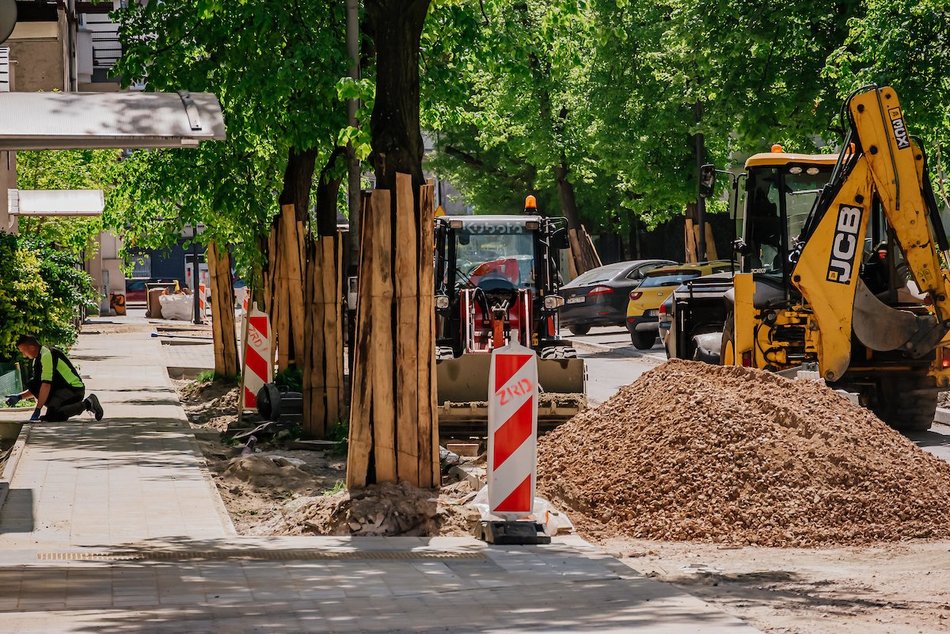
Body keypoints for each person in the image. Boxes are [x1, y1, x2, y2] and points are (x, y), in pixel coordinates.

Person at [4, 335, 103, 422]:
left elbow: (46, 385)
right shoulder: (37, 359)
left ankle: (88, 403)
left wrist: (38, 408)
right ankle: (60, 409)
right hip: (61, 389)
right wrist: (19, 397)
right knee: (49, 413)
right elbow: (38, 387)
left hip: (73, 390)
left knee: (54, 416)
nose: (23, 355)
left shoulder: (47, 355)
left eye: (23, 351)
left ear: (32, 347)